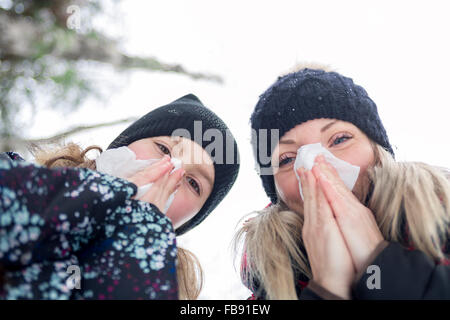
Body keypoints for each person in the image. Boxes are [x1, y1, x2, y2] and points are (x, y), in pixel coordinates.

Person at [234, 67, 450, 300]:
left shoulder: (443, 214)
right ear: (275, 192)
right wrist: (327, 288)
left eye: (340, 139)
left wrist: (378, 264)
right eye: (287, 159)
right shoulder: (266, 286)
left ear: (378, 151)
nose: (316, 167)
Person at [0, 93, 240, 299]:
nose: (169, 172)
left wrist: (141, 237)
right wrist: (100, 196)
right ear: (122, 146)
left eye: (192, 183)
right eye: (164, 149)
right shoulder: (16, 175)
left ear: (190, 220)